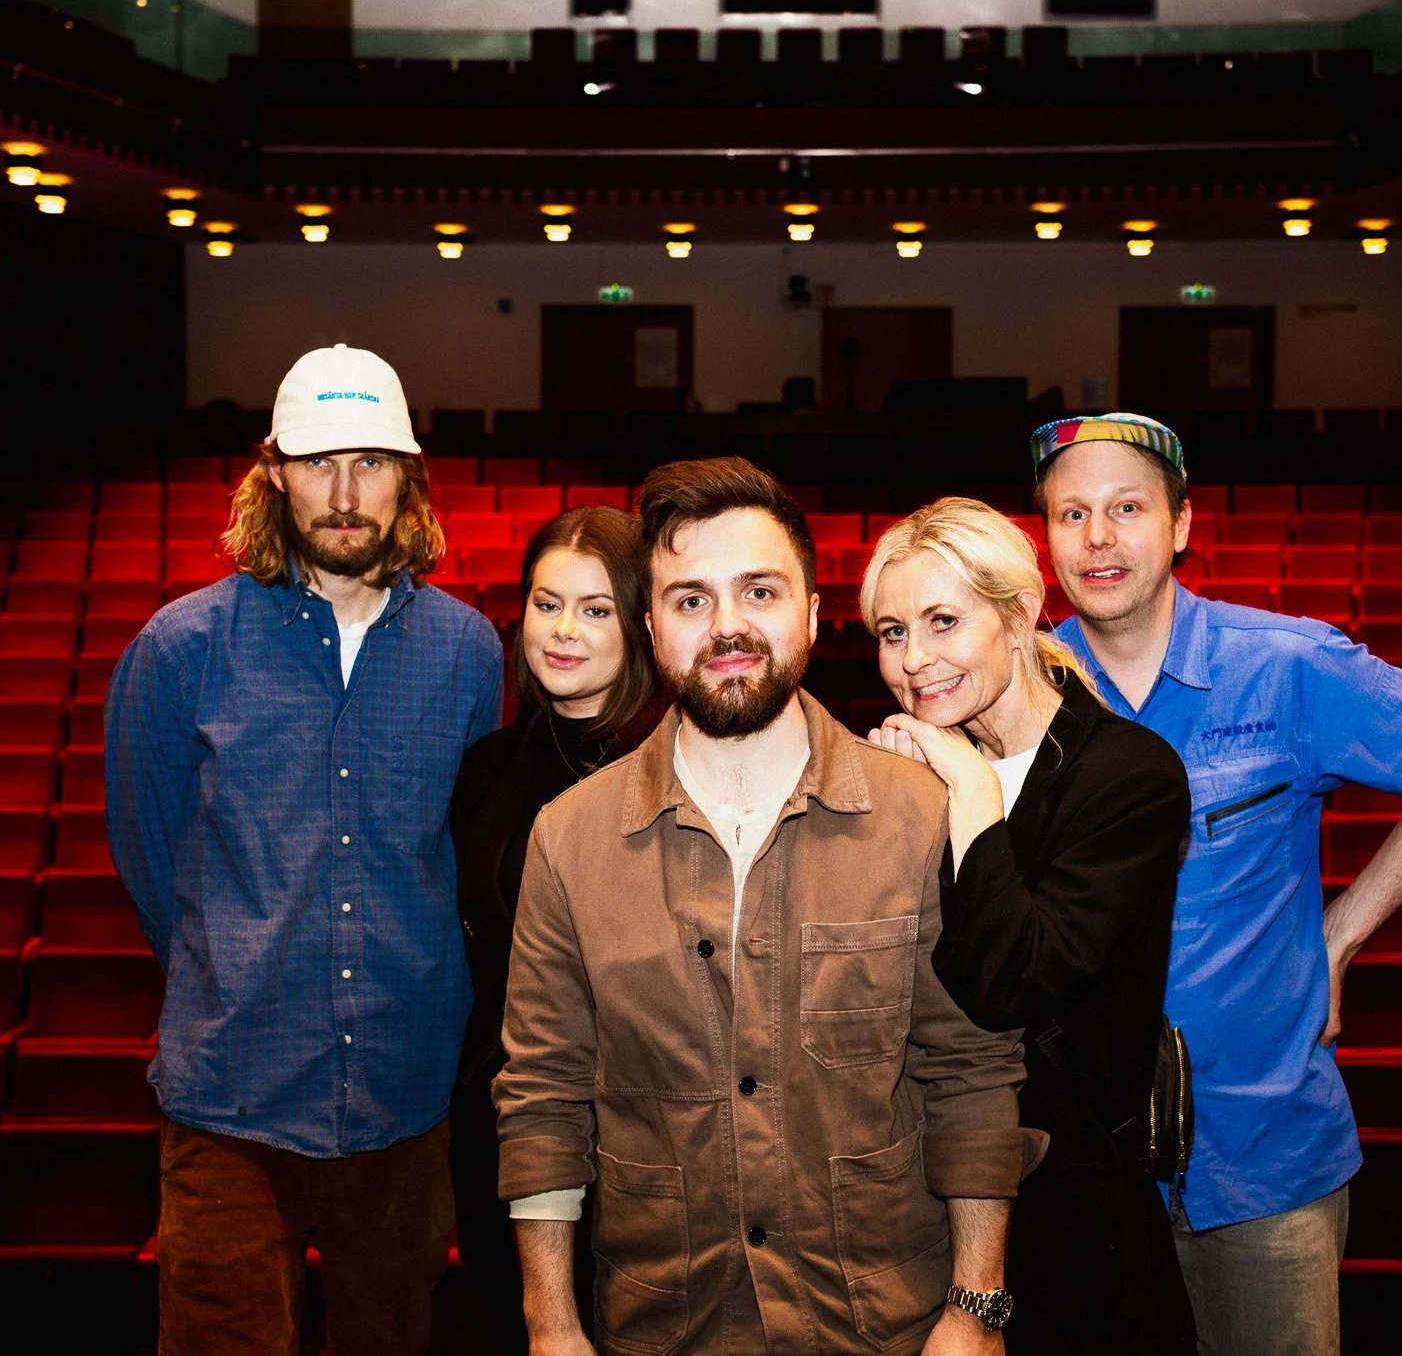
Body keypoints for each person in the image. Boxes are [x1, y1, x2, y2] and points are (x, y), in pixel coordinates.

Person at [493, 456, 1040, 1356]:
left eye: (759, 590)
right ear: (651, 626)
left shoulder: (920, 814)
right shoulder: (567, 838)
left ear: (815, 614)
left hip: (881, 1328)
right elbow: (543, 1100)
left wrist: (975, 1306)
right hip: (661, 1327)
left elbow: (973, 1074)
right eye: (691, 599)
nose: (729, 626)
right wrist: (549, 1323)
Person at [1032, 414, 1402, 1356]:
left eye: (1127, 508)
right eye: (1071, 513)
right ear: (1044, 538)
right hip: (1085, 1173)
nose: (1097, 537)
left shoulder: (1289, 665)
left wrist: (1341, 936)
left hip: (1264, 1161)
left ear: (1179, 525)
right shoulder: (1022, 689)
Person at [104, 344, 503, 1356]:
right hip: (231, 1095)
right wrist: (238, 973)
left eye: (370, 461)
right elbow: (153, 863)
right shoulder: (179, 648)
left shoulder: (466, 650)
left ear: (407, 476)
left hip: (405, 1095)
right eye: (319, 462)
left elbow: (464, 853)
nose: (343, 492)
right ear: (273, 471)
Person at [860, 497, 1197, 1356]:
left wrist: (972, 795)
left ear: (1017, 614)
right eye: (893, 631)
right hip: (917, 1207)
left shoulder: (1128, 776)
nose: (915, 659)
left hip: (1074, 1222)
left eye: (943, 620)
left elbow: (1015, 979)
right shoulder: (901, 774)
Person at [447, 505, 661, 1352]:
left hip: (648, 1138)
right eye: (546, 604)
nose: (563, 631)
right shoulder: (486, 769)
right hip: (506, 1128)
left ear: (641, 623)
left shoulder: (682, 761)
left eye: (595, 608)